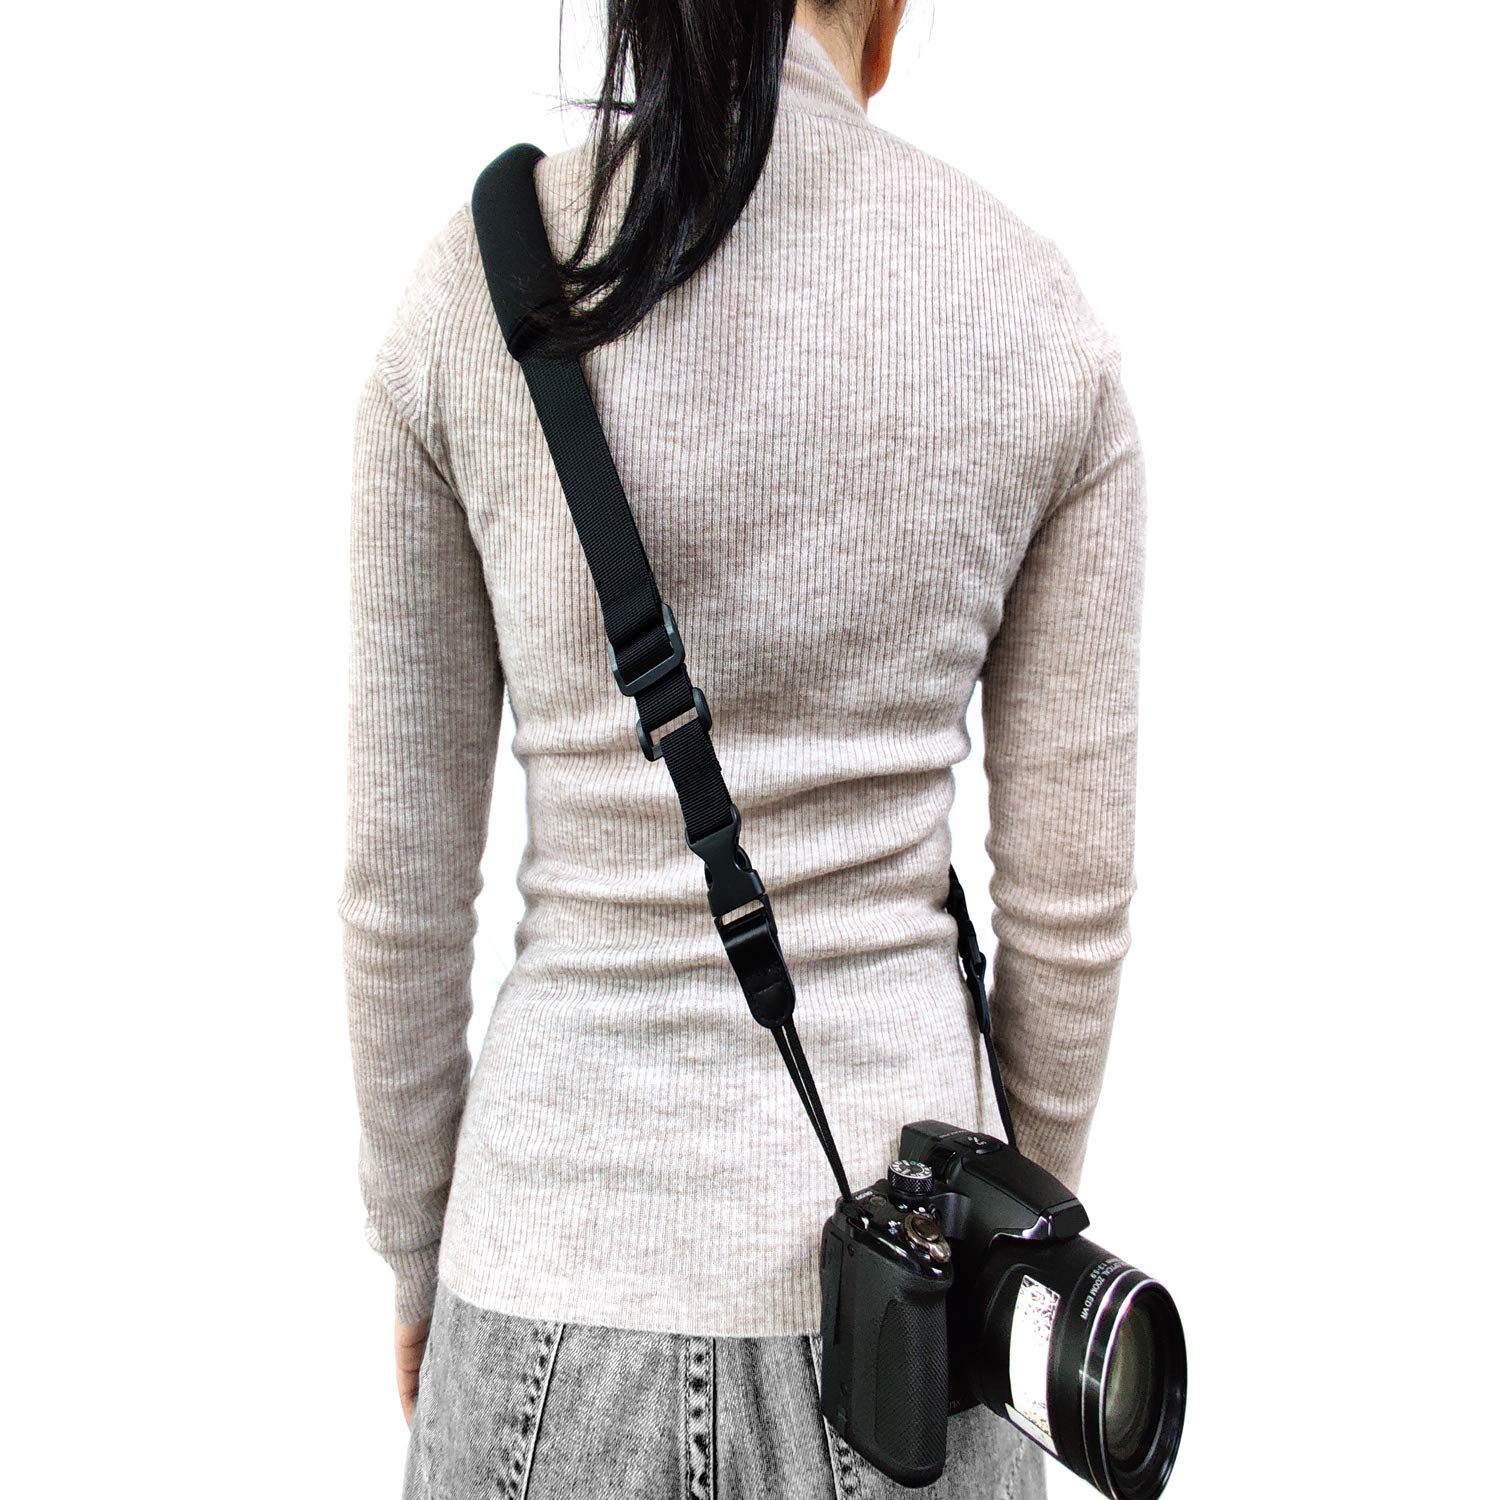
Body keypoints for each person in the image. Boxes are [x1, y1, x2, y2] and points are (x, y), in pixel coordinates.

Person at [339, 1, 1146, 1495]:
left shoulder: (473, 291)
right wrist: (1004, 1241)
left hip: (544, 1279)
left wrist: (412, 1255)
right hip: (910, 1331)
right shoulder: (1027, 316)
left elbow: (401, 891)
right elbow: (1070, 914)